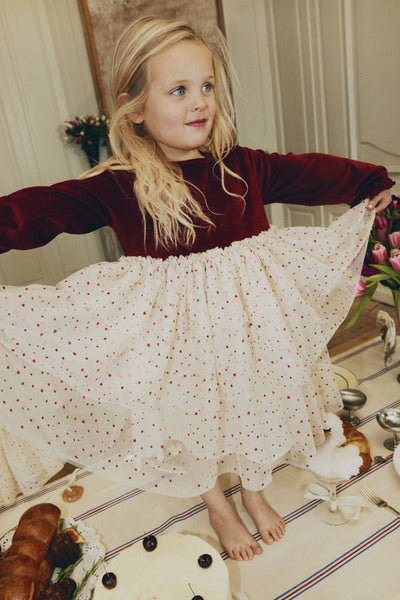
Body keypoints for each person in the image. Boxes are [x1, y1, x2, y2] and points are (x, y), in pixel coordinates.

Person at [0, 16, 394, 561]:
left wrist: (366, 178)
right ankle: (217, 503)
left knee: (255, 403)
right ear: (135, 108)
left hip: (248, 330)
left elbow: (306, 172)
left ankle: (252, 490)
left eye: (206, 86)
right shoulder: (121, 184)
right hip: (177, 342)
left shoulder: (241, 166)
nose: (200, 102)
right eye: (179, 90)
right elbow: (42, 209)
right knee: (191, 420)